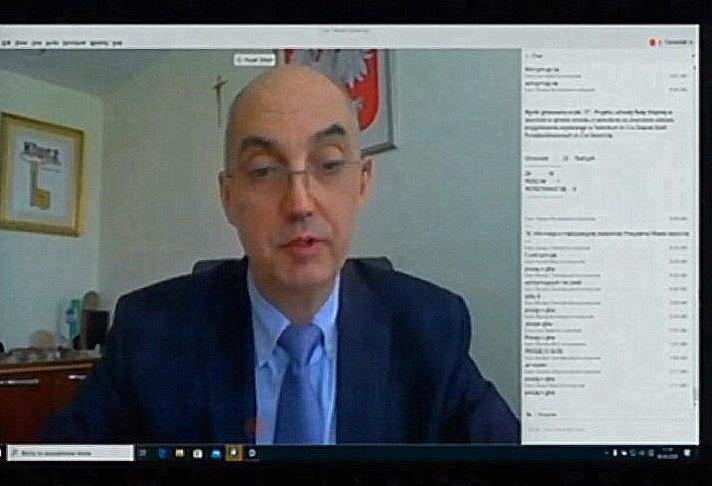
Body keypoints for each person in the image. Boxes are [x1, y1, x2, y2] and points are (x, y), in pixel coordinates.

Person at [41, 65, 519, 444]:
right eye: (265, 170)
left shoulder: (431, 328)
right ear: (229, 197)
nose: (300, 203)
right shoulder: (151, 333)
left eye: (328, 163)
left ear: (362, 183)